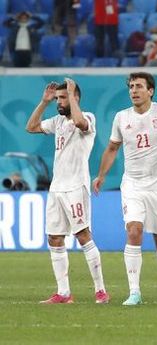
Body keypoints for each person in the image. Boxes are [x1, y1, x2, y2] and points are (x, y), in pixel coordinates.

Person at [93, 72, 157, 305]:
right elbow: (111, 148)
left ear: (150, 91)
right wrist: (101, 175)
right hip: (133, 185)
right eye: (131, 86)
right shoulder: (121, 117)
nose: (134, 90)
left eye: (139, 86)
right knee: (134, 231)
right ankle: (134, 292)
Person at [26, 79, 109, 304]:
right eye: (58, 98)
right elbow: (31, 127)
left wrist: (72, 96)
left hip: (75, 186)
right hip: (57, 188)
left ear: (75, 98)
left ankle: (100, 290)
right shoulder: (58, 122)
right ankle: (64, 293)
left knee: (82, 235)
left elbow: (80, 122)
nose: (59, 102)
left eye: (63, 98)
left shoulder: (88, 117)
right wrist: (44, 102)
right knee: (54, 238)